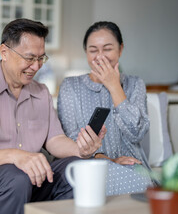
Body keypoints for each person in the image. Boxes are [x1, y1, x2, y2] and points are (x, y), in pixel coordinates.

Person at [0, 18, 106, 214]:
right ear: (5, 52)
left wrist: (82, 151)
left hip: (25, 179)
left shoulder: (41, 92)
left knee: (77, 167)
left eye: (41, 58)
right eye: (29, 58)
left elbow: (54, 139)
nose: (36, 67)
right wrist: (17, 156)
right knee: (16, 177)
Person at [57, 21, 153, 195]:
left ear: (120, 49)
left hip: (131, 165)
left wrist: (114, 86)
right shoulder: (70, 86)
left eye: (107, 49)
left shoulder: (134, 84)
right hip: (91, 165)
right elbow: (70, 138)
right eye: (93, 50)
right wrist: (108, 159)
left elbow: (137, 132)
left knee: (142, 183)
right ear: (86, 52)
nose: (100, 56)